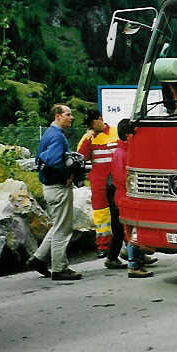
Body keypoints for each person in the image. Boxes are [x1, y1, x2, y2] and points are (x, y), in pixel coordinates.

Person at [27, 104, 81, 281]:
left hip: (49, 188)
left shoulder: (48, 134)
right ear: (58, 116)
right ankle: (59, 268)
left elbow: (40, 159)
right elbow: (54, 161)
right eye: (68, 114)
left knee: (58, 224)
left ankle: (38, 259)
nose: (71, 117)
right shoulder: (57, 137)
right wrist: (67, 175)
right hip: (58, 187)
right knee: (63, 230)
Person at [110, 119, 153, 278]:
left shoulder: (123, 151)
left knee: (133, 231)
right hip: (125, 197)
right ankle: (134, 265)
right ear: (129, 135)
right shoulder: (123, 153)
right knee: (134, 232)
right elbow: (122, 178)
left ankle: (134, 260)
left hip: (125, 196)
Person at [77, 109, 118, 258]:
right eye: (87, 125)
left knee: (122, 212)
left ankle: (130, 245)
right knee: (101, 214)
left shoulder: (116, 131)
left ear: (100, 119)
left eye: (91, 123)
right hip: (99, 182)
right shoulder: (87, 137)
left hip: (117, 180)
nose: (90, 127)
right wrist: (88, 140)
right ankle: (103, 246)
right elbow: (81, 159)